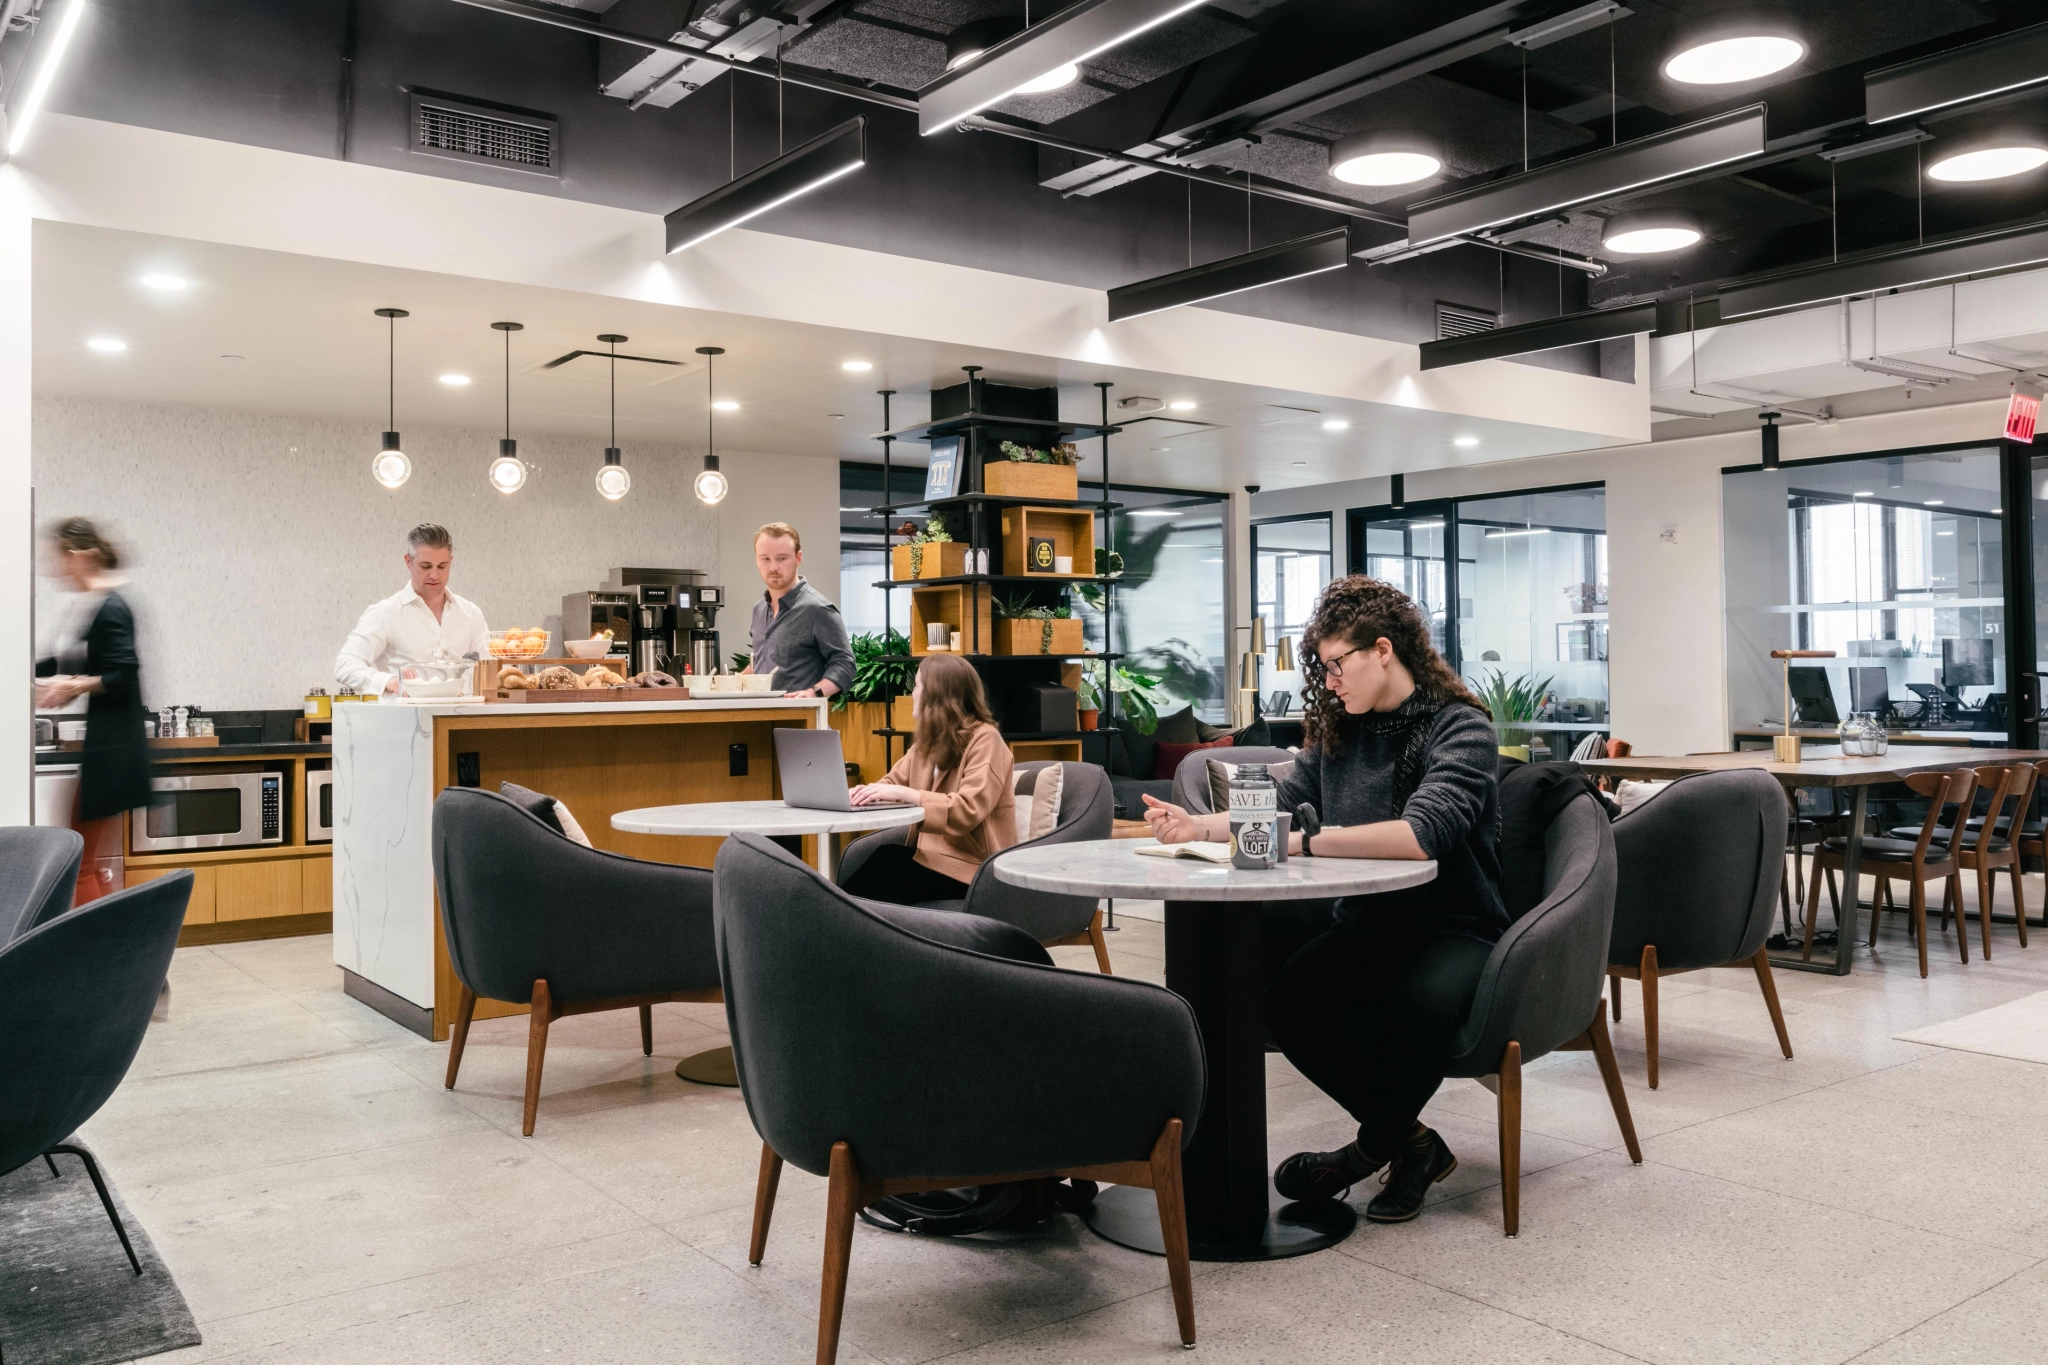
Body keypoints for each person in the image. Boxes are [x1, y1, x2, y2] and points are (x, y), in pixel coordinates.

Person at [1142, 576, 1505, 1225]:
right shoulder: (1340, 733)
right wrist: (1195, 827)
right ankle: (1415, 1144)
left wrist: (1310, 842)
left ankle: (1369, 1150)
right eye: (1325, 667)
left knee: (1419, 1004)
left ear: (1383, 649)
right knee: (1287, 1002)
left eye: (1338, 664)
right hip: (1366, 923)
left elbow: (1424, 835)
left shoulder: (1461, 726)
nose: (1329, 681)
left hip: (1453, 928)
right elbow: (1274, 812)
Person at [36, 518, 153, 907]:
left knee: (80, 863)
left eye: (57, 559)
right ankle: (113, 955)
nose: (54, 568)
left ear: (76, 556)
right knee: (85, 860)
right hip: (110, 747)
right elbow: (66, 662)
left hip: (114, 750)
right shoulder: (93, 605)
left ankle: (102, 959)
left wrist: (75, 685)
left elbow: (124, 672)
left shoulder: (111, 606)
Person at [841, 653, 1016, 904]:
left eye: (917, 686)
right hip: (927, 858)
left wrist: (908, 795)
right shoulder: (928, 740)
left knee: (886, 869)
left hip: (973, 870)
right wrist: (863, 792)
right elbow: (892, 783)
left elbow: (967, 809)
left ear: (937, 695)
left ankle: (834, 930)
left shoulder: (986, 740)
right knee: (883, 865)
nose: (912, 693)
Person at [335, 524, 491, 697]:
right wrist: (389, 681)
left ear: (451, 562)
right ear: (408, 561)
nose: (434, 575)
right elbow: (345, 664)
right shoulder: (385, 613)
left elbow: (488, 667)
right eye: (425, 566)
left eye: (442, 566)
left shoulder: (471, 614)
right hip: (404, 721)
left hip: (461, 721)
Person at [745, 522, 853, 700]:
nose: (773, 568)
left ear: (798, 558)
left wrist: (813, 693)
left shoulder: (818, 609)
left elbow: (845, 664)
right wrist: (730, 683)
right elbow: (763, 662)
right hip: (760, 719)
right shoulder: (759, 609)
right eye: (765, 559)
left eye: (781, 558)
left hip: (802, 720)